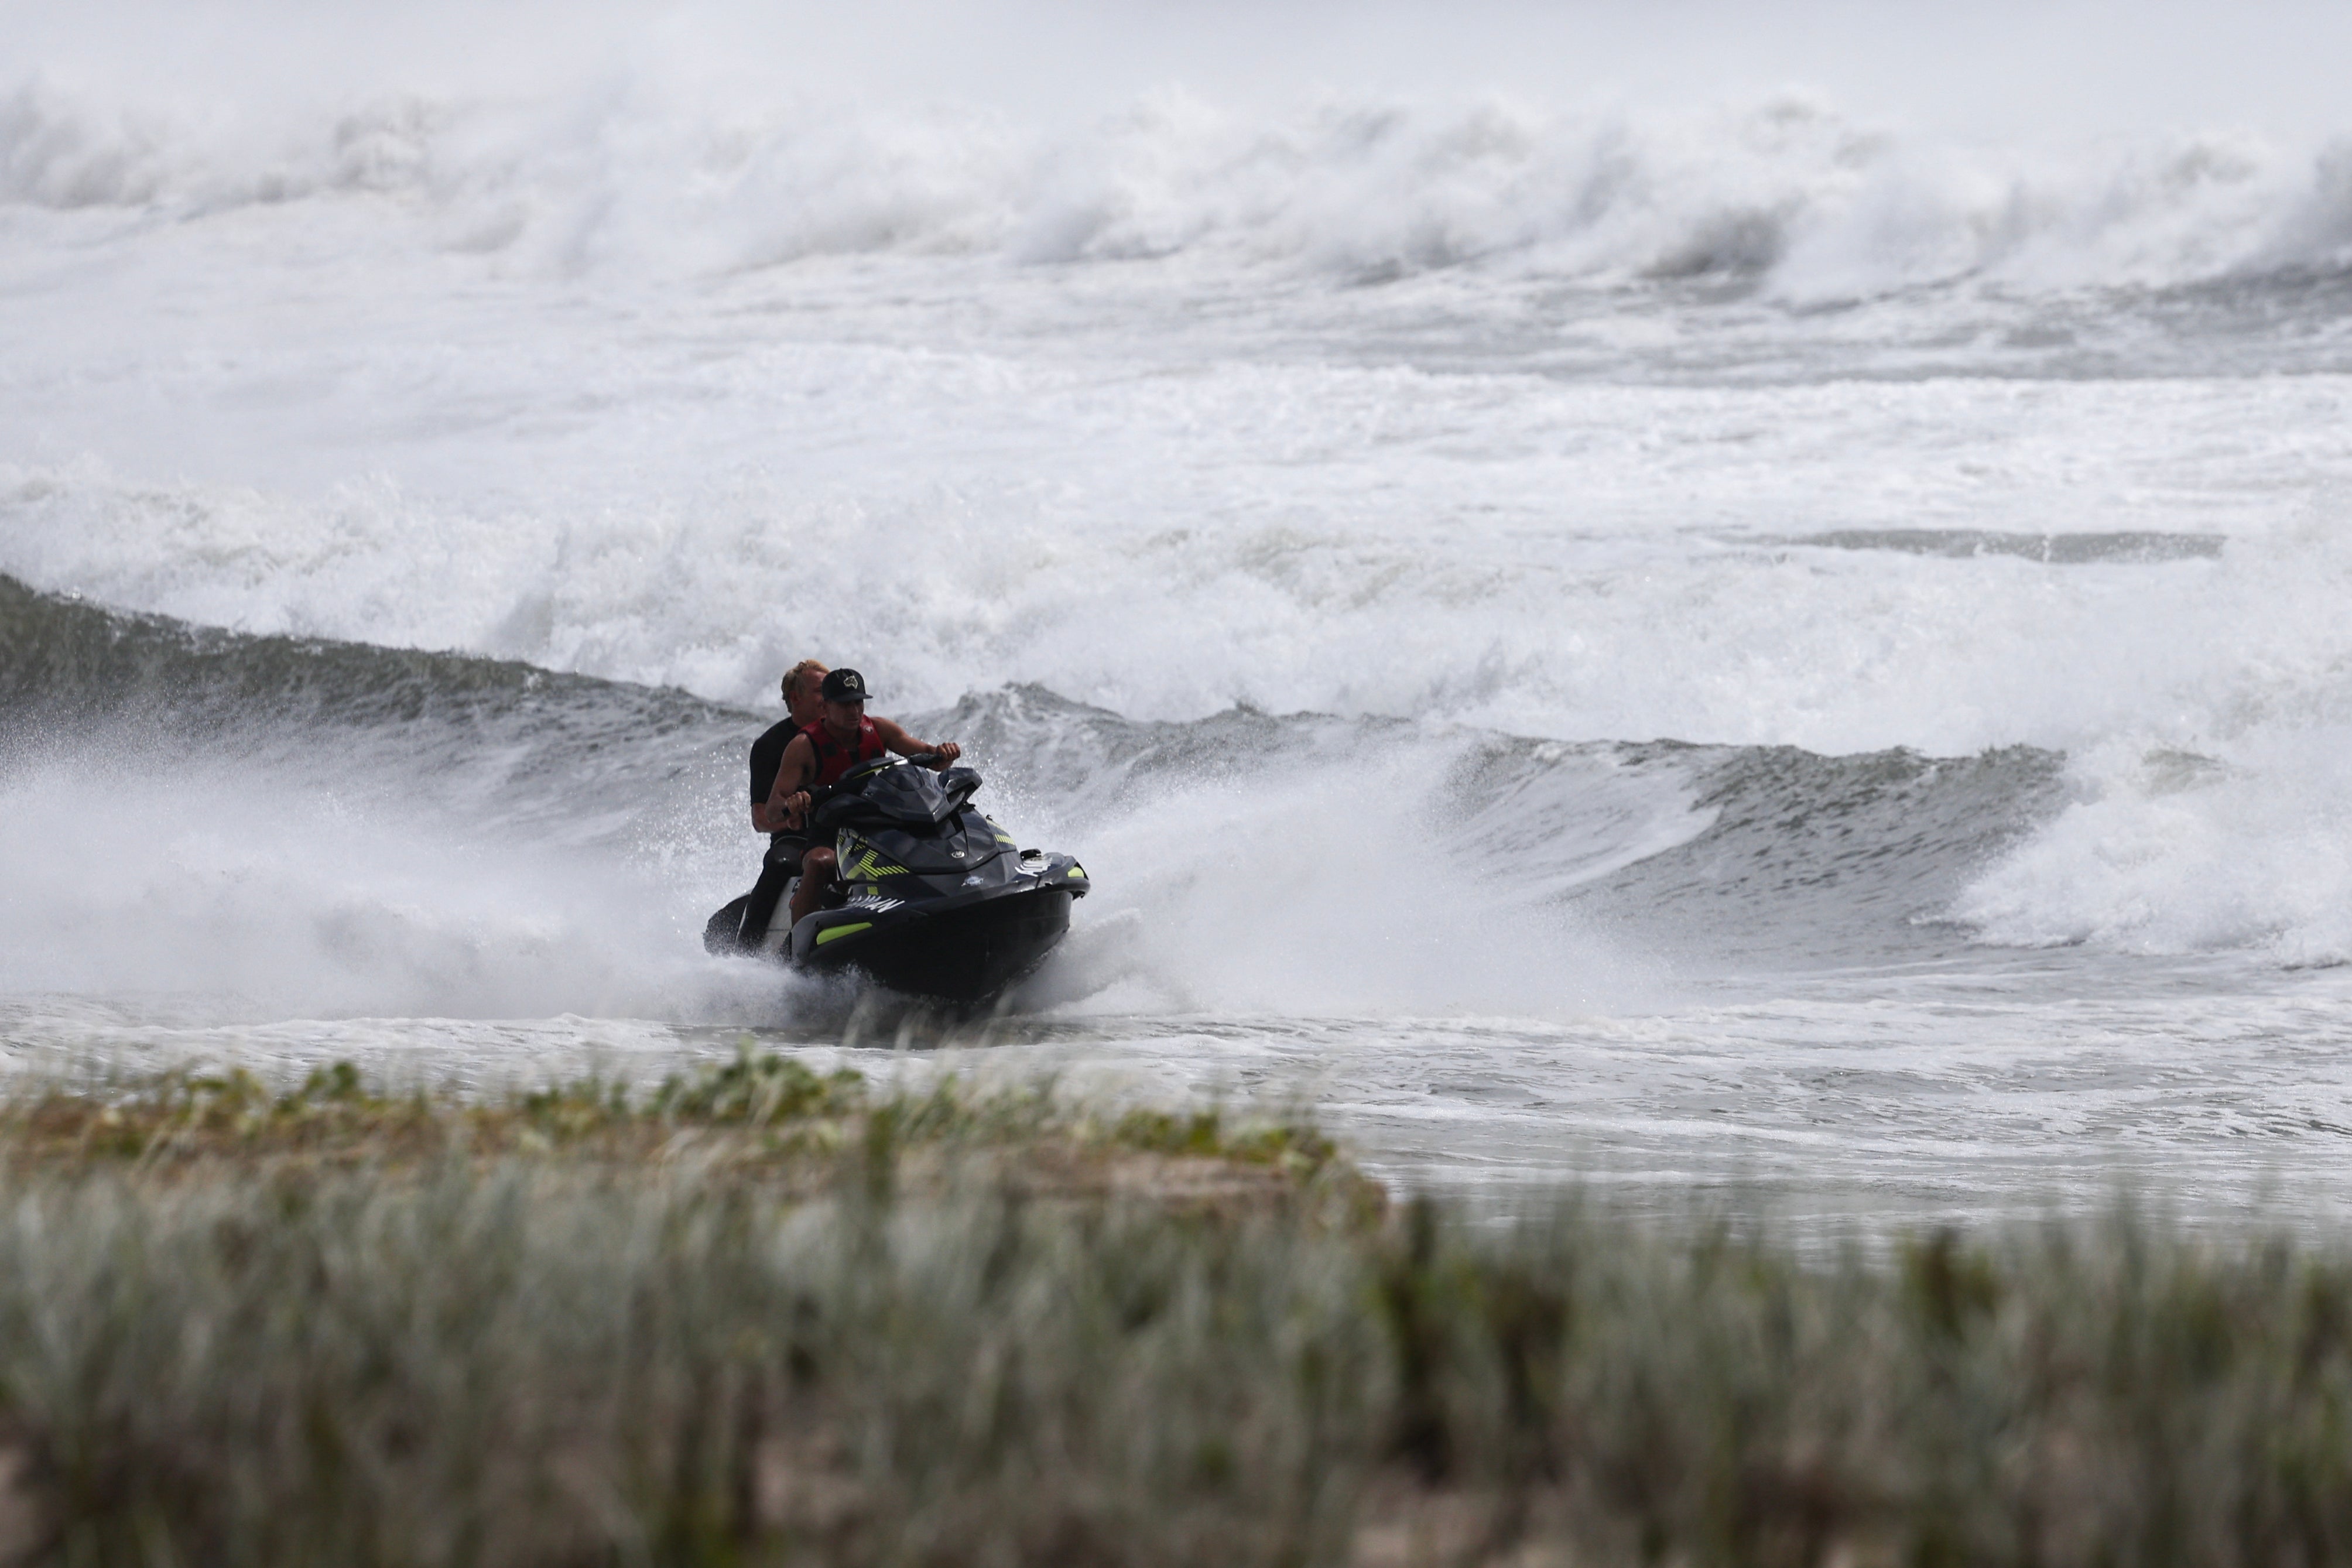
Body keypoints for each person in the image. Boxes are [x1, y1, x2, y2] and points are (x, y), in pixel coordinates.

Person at [765, 667, 961, 930]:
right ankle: (799, 945)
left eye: (858, 702)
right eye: (845, 704)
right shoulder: (803, 746)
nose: (855, 711)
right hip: (832, 828)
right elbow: (772, 809)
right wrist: (791, 803)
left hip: (881, 819)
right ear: (826, 705)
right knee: (820, 862)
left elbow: (931, 756)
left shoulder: (880, 729)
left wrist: (944, 753)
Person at [732, 659, 828, 949]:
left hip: (842, 832)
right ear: (796, 697)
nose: (829, 697)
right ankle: (745, 955)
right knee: (779, 863)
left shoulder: (843, 733)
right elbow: (760, 818)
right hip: (795, 838)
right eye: (820, 691)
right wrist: (790, 818)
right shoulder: (770, 745)